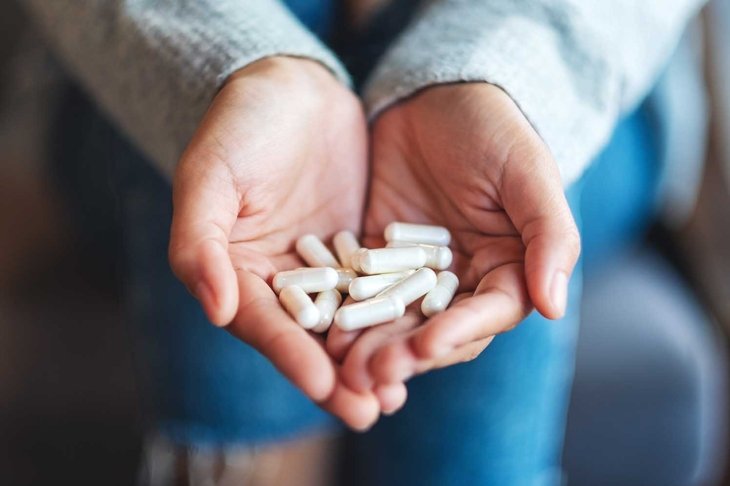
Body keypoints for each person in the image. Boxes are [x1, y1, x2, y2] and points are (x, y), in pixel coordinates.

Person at [18, 0, 709, 484]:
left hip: (578, 82)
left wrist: (496, 77)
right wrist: (239, 63)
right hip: (136, 83)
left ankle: (241, 470)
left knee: (489, 131)